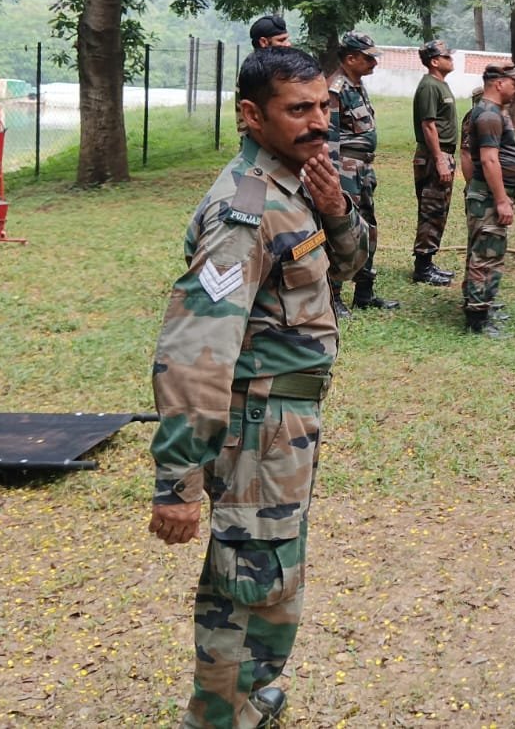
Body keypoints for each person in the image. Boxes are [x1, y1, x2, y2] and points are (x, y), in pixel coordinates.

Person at [149, 46, 368, 729]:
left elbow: (350, 265)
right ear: (252, 115)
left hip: (286, 422)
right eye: (298, 109)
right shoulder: (243, 210)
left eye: (323, 106)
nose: (319, 121)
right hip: (257, 427)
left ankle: (246, 700)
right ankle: (216, 717)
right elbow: (195, 350)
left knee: (272, 572)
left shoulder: (299, 183)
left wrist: (336, 210)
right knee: (245, 583)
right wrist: (179, 480)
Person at [327, 31, 397, 315]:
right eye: (368, 58)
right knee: (342, 230)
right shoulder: (336, 89)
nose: (374, 63)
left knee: (368, 227)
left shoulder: (357, 86)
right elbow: (329, 138)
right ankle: (333, 296)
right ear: (350, 58)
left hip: (363, 169)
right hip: (345, 170)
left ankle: (364, 293)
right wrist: (332, 180)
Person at [460, 63, 515, 337]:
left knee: (483, 250)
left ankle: (481, 304)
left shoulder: (492, 111)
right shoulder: (488, 114)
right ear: (499, 83)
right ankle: (478, 318)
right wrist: (501, 200)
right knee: (486, 256)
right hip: (489, 196)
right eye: (513, 82)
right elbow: (489, 160)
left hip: (488, 194)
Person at [410, 40, 458, 287]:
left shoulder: (440, 84)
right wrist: (439, 159)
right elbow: (428, 125)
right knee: (431, 209)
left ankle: (428, 261)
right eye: (447, 56)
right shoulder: (429, 85)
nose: (451, 59)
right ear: (434, 61)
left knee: (438, 210)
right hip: (433, 156)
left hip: (443, 154)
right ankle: (423, 268)